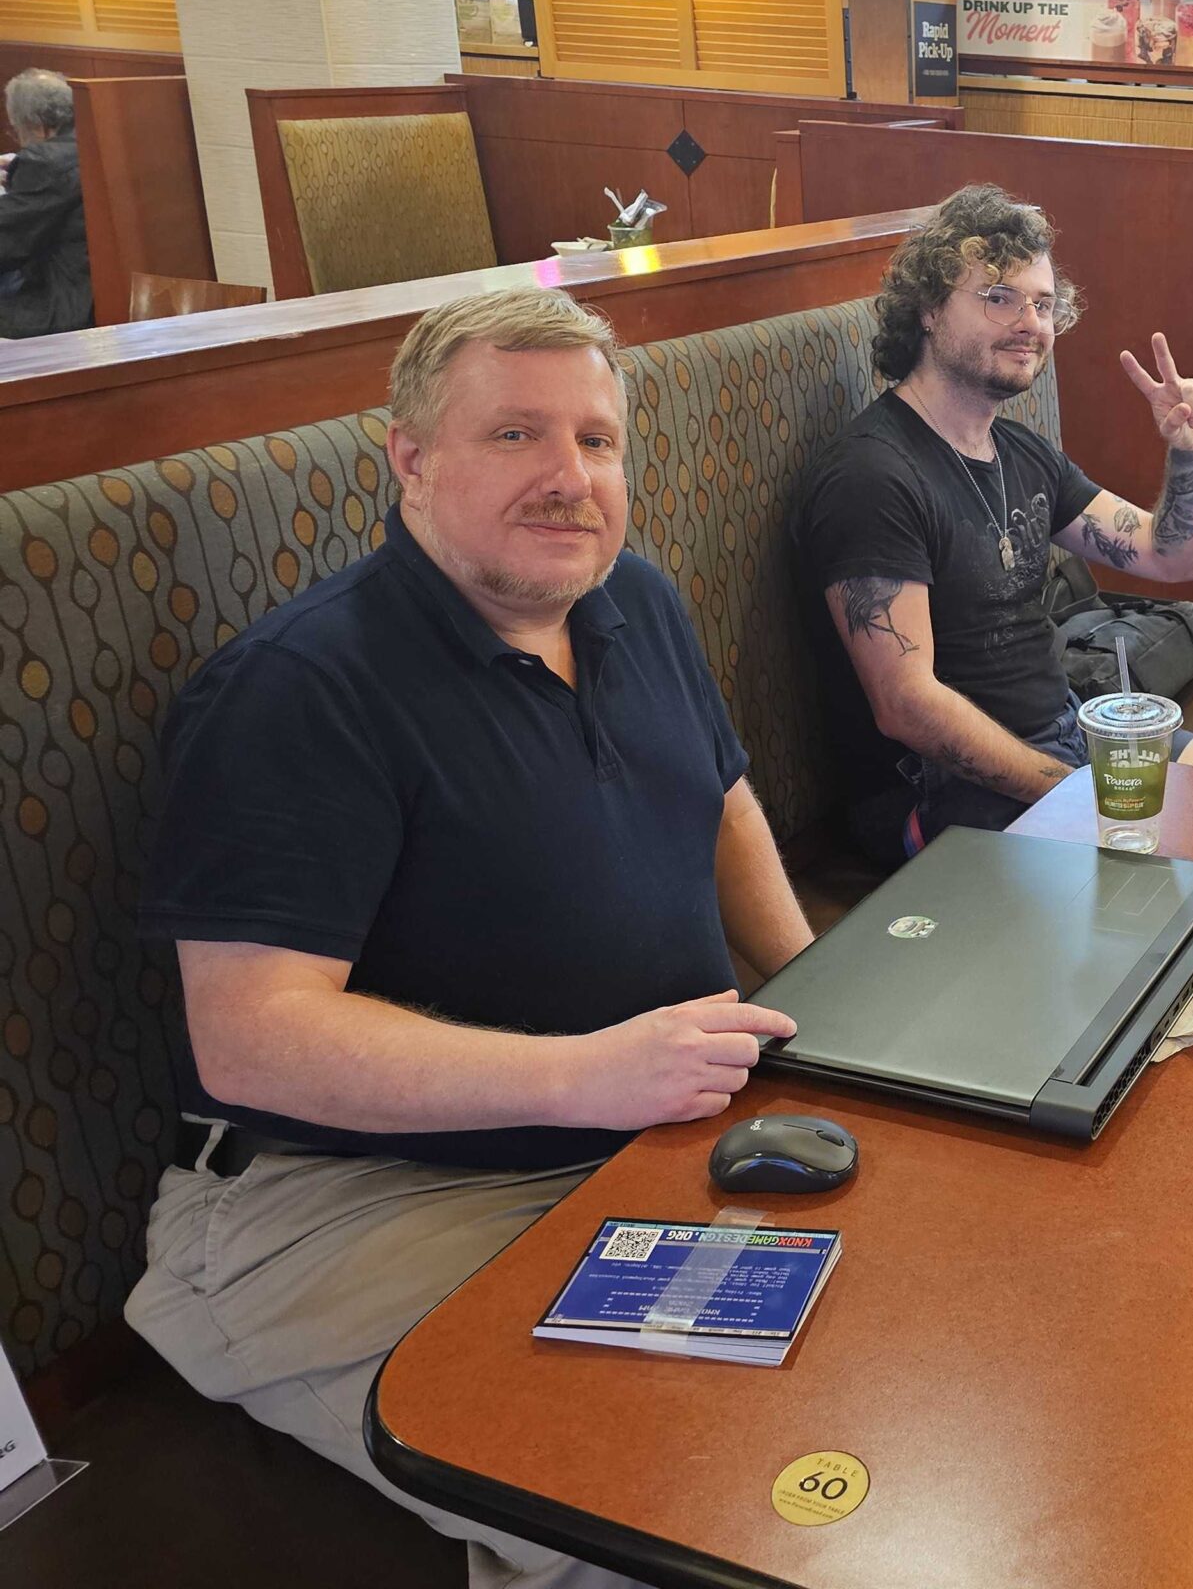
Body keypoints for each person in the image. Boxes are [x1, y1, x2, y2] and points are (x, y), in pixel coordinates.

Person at [127, 287, 813, 1589]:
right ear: (410, 458)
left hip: (632, 1142)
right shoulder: (302, 689)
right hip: (346, 1205)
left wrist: (825, 993)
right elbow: (251, 1039)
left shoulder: (635, 602)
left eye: (597, 441)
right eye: (514, 435)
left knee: (888, 1334)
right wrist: (589, 1074)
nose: (570, 477)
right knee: (673, 1506)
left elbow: (720, 800)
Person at [794, 183, 1193, 857]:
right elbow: (907, 706)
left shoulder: (1019, 451)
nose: (1031, 323)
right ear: (929, 309)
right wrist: (1081, 787)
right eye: (1000, 297)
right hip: (942, 793)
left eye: (1043, 304)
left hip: (1065, 736)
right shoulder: (872, 478)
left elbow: (1173, 558)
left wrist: (1190, 451)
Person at [0, 67, 92, 336]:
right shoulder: (92, 139)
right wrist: (17, 175)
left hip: (64, 305)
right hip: (100, 291)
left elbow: (7, 244)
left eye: (17, 130)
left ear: (37, 126)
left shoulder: (43, 162)